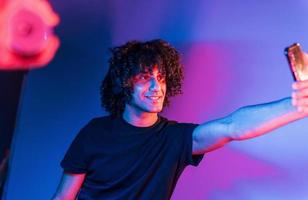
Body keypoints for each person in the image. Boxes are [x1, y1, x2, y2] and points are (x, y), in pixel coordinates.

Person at [53, 39, 308, 200]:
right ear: (123, 82)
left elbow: (232, 127)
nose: (156, 87)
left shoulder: (174, 139)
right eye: (144, 77)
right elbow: (65, 196)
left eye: (161, 78)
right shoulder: (95, 133)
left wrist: (296, 106)